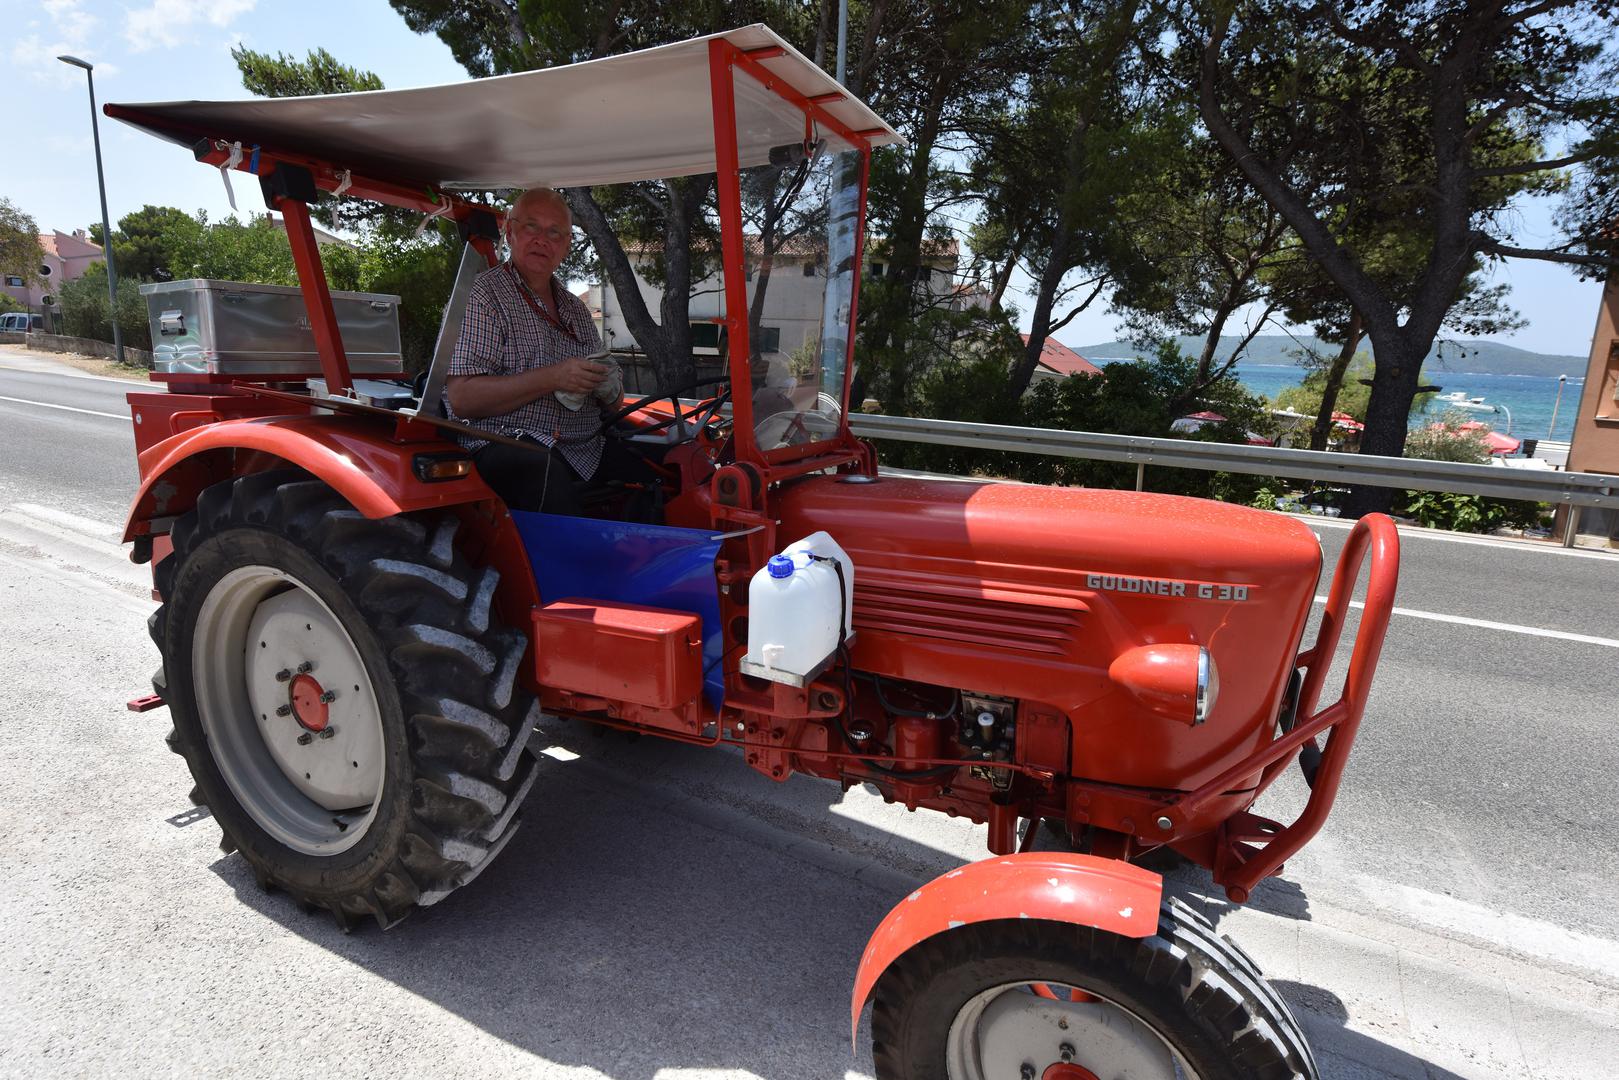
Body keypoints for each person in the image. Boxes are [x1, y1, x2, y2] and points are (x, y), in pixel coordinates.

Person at [446, 187, 651, 515]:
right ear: (509, 232)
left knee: (660, 469)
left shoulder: (577, 310)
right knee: (542, 472)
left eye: (554, 232)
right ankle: (568, 564)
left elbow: (611, 400)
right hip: (502, 440)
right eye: (531, 226)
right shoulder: (483, 295)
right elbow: (462, 398)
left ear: (566, 245)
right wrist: (553, 378)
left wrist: (608, 386)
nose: (543, 239)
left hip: (582, 443)